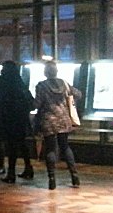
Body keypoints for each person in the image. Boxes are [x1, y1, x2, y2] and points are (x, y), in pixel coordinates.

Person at [34, 61, 82, 190]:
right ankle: (74, 176)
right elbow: (78, 94)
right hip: (64, 120)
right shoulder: (64, 83)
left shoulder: (41, 86)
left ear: (45, 72)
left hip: (49, 120)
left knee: (50, 149)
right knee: (65, 147)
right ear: (56, 71)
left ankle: (52, 180)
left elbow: (37, 104)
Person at [0, 61, 35, 184]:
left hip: (9, 119)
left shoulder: (4, 83)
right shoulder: (20, 84)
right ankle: (28, 168)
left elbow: (0, 100)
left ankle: (11, 173)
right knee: (22, 144)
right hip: (21, 119)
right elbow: (30, 102)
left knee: (11, 146)